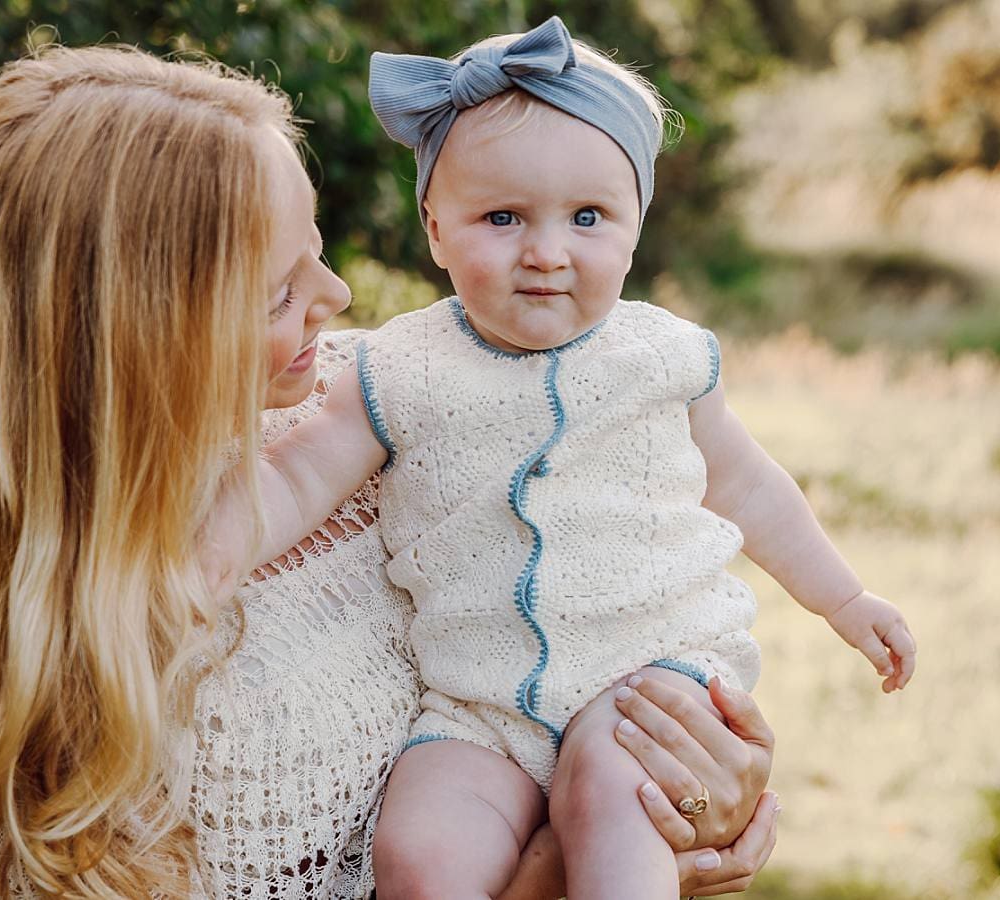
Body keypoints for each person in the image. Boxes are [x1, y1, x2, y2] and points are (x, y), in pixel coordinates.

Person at [0, 44, 777, 899]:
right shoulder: (31, 645)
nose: (337, 297)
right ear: (132, 339)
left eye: (318, 252)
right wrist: (559, 868)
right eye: (280, 292)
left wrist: (696, 799)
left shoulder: (380, 405)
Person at [205, 17, 918, 899]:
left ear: (634, 227)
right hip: (477, 709)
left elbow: (748, 486)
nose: (546, 253)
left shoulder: (665, 359)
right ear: (435, 227)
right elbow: (294, 475)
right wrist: (199, 558)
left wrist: (844, 600)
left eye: (587, 218)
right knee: (420, 852)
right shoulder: (397, 369)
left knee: (619, 805)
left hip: (646, 678)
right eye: (502, 218)